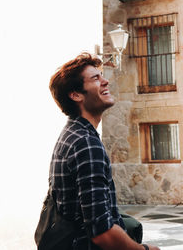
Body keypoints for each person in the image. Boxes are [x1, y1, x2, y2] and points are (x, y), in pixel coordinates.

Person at [46, 52, 160, 250]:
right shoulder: (85, 143)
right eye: (95, 78)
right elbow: (102, 232)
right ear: (76, 95)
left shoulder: (74, 134)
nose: (105, 81)